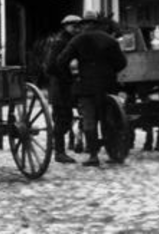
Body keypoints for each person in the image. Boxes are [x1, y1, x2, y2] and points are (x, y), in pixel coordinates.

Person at [56, 10, 128, 167]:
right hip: (108, 86)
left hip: (85, 86)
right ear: (97, 24)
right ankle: (113, 151)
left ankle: (93, 155)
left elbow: (61, 61)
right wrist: (109, 71)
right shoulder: (110, 40)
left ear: (84, 25)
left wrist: (71, 77)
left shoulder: (78, 40)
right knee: (107, 119)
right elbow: (122, 63)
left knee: (89, 120)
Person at [43, 14, 83, 163]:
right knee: (62, 120)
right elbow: (51, 66)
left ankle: (58, 147)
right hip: (60, 86)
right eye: (74, 26)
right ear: (66, 26)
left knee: (65, 119)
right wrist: (67, 77)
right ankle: (59, 152)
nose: (77, 29)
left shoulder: (72, 40)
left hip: (68, 86)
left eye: (79, 26)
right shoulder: (60, 42)